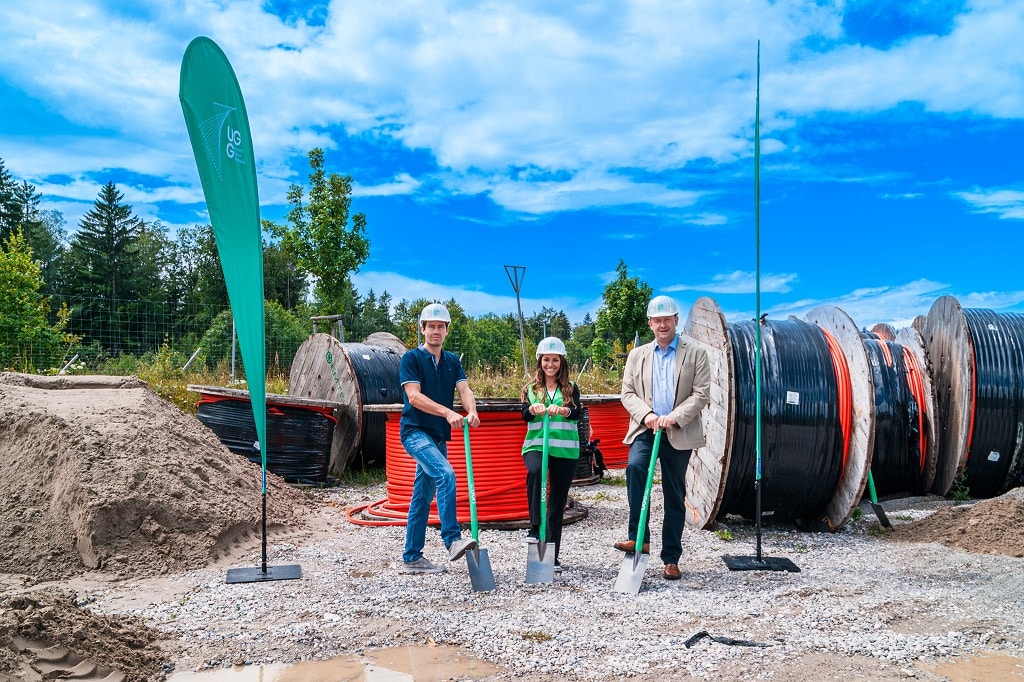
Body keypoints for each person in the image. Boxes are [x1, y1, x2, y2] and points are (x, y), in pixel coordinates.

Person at [616, 295, 710, 580]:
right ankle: (639, 537)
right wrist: (647, 415)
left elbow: (701, 393)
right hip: (647, 428)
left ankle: (671, 558)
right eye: (657, 320)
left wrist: (675, 416)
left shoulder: (696, 353)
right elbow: (627, 393)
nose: (662, 325)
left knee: (674, 492)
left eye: (666, 319)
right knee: (635, 468)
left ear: (676, 321)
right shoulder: (638, 355)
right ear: (650, 323)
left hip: (678, 432)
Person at [399, 302, 480, 574]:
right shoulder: (411, 358)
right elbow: (414, 396)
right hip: (415, 433)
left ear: (446, 331)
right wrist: (448, 412)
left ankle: (412, 557)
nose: (435, 331)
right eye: (430, 326)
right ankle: (453, 540)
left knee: (422, 496)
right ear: (422, 329)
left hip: (437, 438)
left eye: (440, 327)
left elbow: (465, 389)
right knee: (446, 475)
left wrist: (472, 411)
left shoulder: (452, 361)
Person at [520, 336, 580, 574]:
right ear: (540, 361)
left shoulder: (571, 387)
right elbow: (524, 414)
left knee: (556, 502)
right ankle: (535, 527)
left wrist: (564, 410)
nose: (550, 364)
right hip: (536, 446)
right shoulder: (530, 389)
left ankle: (551, 556)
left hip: (565, 449)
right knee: (535, 472)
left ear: (561, 362)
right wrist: (533, 409)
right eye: (546, 360)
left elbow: (576, 413)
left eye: (555, 360)